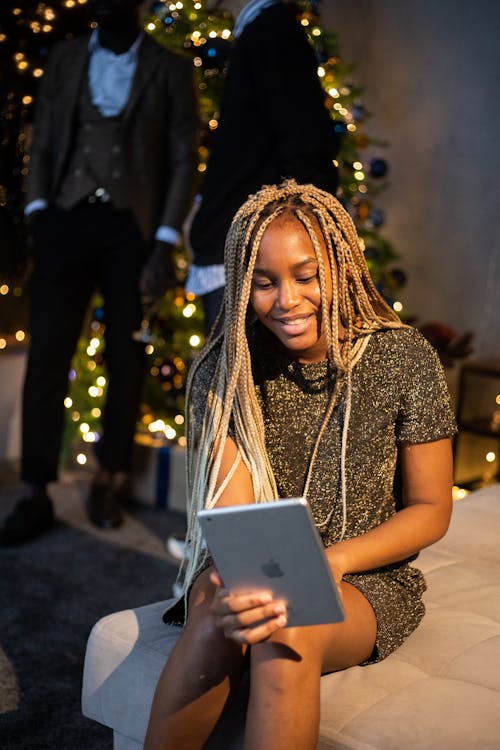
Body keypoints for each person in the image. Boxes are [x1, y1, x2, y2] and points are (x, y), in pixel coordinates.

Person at [143, 180, 456, 750]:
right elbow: (234, 520)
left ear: (342, 267)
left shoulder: (404, 357)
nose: (286, 300)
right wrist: (245, 583)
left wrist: (331, 561)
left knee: (291, 625)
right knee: (218, 602)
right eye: (263, 283)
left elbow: (433, 509)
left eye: (306, 276)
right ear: (242, 287)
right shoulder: (228, 373)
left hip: (365, 578)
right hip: (255, 567)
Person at [0, 0, 199, 546]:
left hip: (131, 231)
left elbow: (184, 156)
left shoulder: (171, 66)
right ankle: (36, 489)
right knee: (48, 354)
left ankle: (109, 478)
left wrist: (163, 239)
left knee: (125, 354)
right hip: (63, 219)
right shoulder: (64, 57)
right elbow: (40, 139)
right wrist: (38, 208)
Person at [186, 0, 340, 332]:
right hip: (238, 240)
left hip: (254, 249)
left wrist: (299, 233)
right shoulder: (261, 32)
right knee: (230, 375)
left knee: (243, 377)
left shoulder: (272, 33)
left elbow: (306, 142)